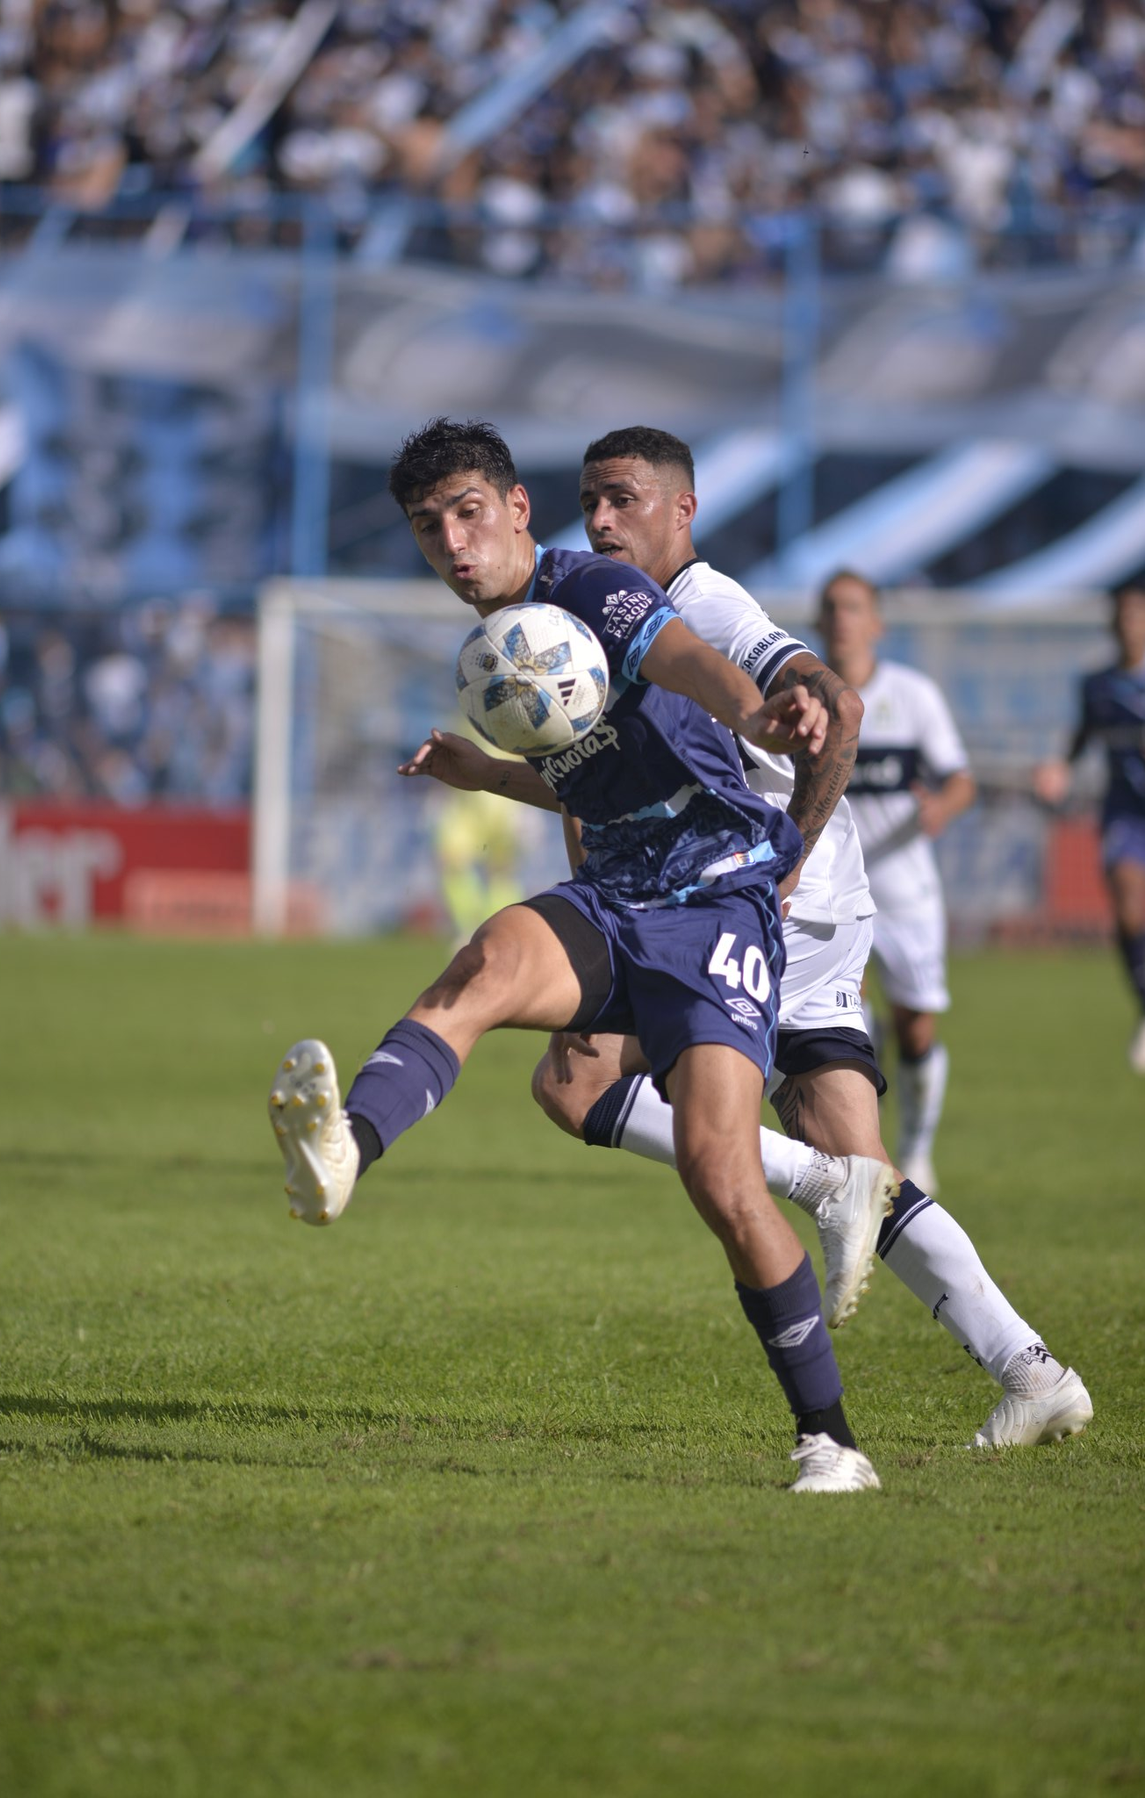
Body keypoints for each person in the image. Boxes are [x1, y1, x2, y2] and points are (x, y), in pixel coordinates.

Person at [409, 427, 1091, 1451]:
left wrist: (787, 865)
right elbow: (594, 773)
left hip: (761, 906)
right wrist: (496, 776)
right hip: (743, 903)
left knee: (582, 1084)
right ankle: (1031, 1369)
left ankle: (840, 1224)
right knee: (837, 1147)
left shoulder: (702, 604)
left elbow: (838, 708)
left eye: (625, 499)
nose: (601, 520)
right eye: (591, 500)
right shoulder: (590, 608)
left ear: (681, 512)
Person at [269, 415, 884, 1494]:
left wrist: (765, 714)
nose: (453, 544)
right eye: (428, 528)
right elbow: (596, 771)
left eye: (469, 514)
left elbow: (691, 664)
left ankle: (829, 1439)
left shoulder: (590, 590)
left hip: (716, 900)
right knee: (481, 969)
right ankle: (344, 1150)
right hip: (614, 896)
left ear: (516, 508)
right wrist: (485, 772)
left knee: (721, 1175)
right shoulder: (497, 649)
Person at [816, 569, 976, 1200]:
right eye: (831, 608)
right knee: (840, 1018)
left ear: (876, 622)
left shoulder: (912, 697)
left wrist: (940, 807)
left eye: (854, 607)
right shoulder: (804, 695)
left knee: (915, 1027)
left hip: (904, 886)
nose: (842, 618)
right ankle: (859, 1159)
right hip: (831, 888)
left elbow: (960, 779)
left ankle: (918, 1146)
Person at [1035, 581, 1145, 1074]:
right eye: (1123, 615)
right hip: (1125, 811)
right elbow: (1082, 738)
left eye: (1137, 615)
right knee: (1127, 907)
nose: (1129, 624)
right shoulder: (1098, 685)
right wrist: (1061, 767)